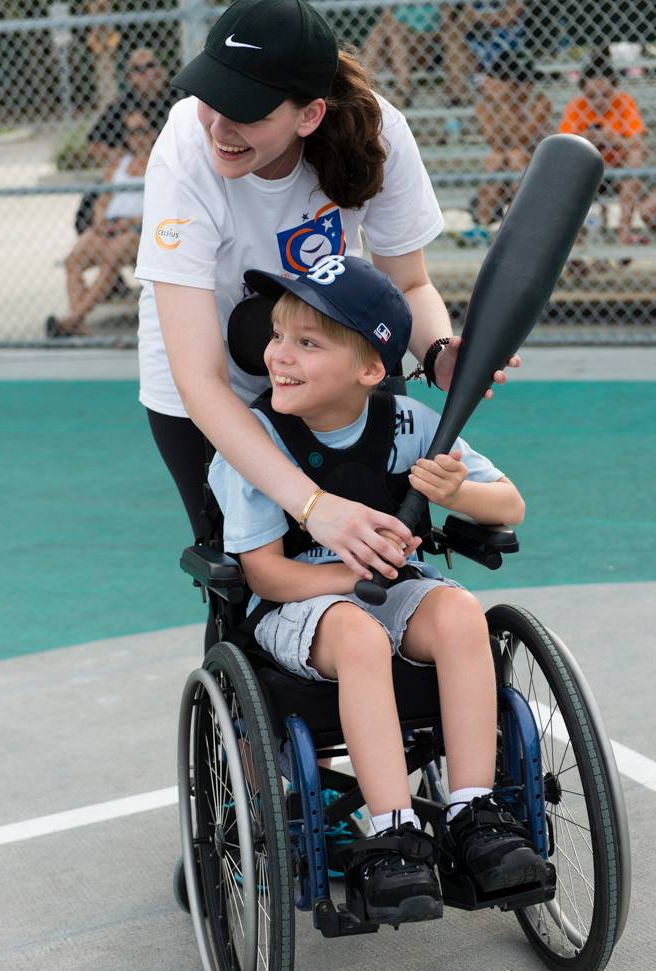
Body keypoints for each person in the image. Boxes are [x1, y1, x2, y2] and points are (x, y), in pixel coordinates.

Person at [133, 0, 520, 653]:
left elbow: (410, 282)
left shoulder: (377, 131)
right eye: (210, 97)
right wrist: (314, 507)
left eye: (248, 111)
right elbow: (200, 383)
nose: (219, 126)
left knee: (385, 543)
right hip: (205, 379)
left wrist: (434, 349)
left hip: (334, 358)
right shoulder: (185, 151)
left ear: (308, 114)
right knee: (246, 570)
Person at [208, 254, 551, 926]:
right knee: (358, 634)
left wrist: (459, 493)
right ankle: (393, 834)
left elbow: (509, 507)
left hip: (391, 590)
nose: (278, 355)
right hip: (296, 604)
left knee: (457, 611)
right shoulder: (253, 441)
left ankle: (473, 812)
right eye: (277, 337)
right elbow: (266, 575)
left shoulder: (410, 425)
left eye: (307, 342)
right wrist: (353, 575)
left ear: (370, 370)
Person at [46, 110, 157, 338]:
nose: (136, 137)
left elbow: (161, 208)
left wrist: (129, 223)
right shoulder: (119, 164)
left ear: (153, 132)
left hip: (137, 228)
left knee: (111, 258)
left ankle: (72, 319)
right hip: (108, 225)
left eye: (141, 131)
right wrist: (99, 223)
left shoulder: (160, 162)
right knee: (72, 261)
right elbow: (103, 199)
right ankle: (77, 323)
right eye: (131, 132)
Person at [75, 48, 179, 238]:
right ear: (131, 77)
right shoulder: (122, 104)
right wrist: (118, 157)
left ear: (160, 70)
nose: (147, 73)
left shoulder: (177, 99)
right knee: (91, 198)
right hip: (132, 166)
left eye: (151, 65)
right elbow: (93, 144)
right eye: (138, 69)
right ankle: (100, 240)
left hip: (169, 167)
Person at [559, 53, 651, 245]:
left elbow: (639, 145)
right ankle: (575, 245)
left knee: (635, 156)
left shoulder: (624, 102)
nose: (599, 101)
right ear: (583, 92)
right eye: (592, 96)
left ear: (615, 89)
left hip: (619, 171)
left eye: (606, 95)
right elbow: (563, 148)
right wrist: (585, 140)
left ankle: (624, 233)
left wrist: (613, 139)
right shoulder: (577, 106)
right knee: (569, 169)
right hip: (587, 173)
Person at [466, 52, 551, 242]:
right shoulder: (484, 106)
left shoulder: (539, 102)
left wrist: (502, 104)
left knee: (515, 155)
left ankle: (525, 224)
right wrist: (500, 102)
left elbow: (521, 138)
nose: (525, 87)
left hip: (534, 167)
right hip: (501, 170)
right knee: (497, 157)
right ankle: (482, 227)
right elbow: (493, 141)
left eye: (527, 81)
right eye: (517, 82)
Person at [362, 4, 442, 108]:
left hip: (427, 48)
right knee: (380, 30)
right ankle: (368, 87)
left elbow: (446, 27)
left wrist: (412, 34)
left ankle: (401, 90)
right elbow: (386, 20)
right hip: (394, 48)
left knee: (394, 30)